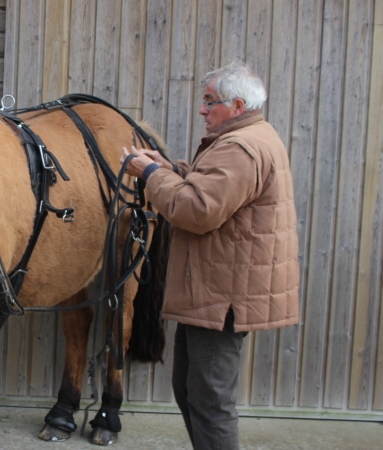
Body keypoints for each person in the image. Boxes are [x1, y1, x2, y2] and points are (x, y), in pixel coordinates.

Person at [120, 61, 300, 449]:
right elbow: (213, 185)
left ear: (236, 105)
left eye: (209, 102)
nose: (202, 110)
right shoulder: (249, 137)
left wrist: (150, 175)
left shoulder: (241, 147)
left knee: (209, 398)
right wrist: (169, 168)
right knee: (191, 389)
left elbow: (196, 210)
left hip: (223, 295)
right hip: (215, 290)